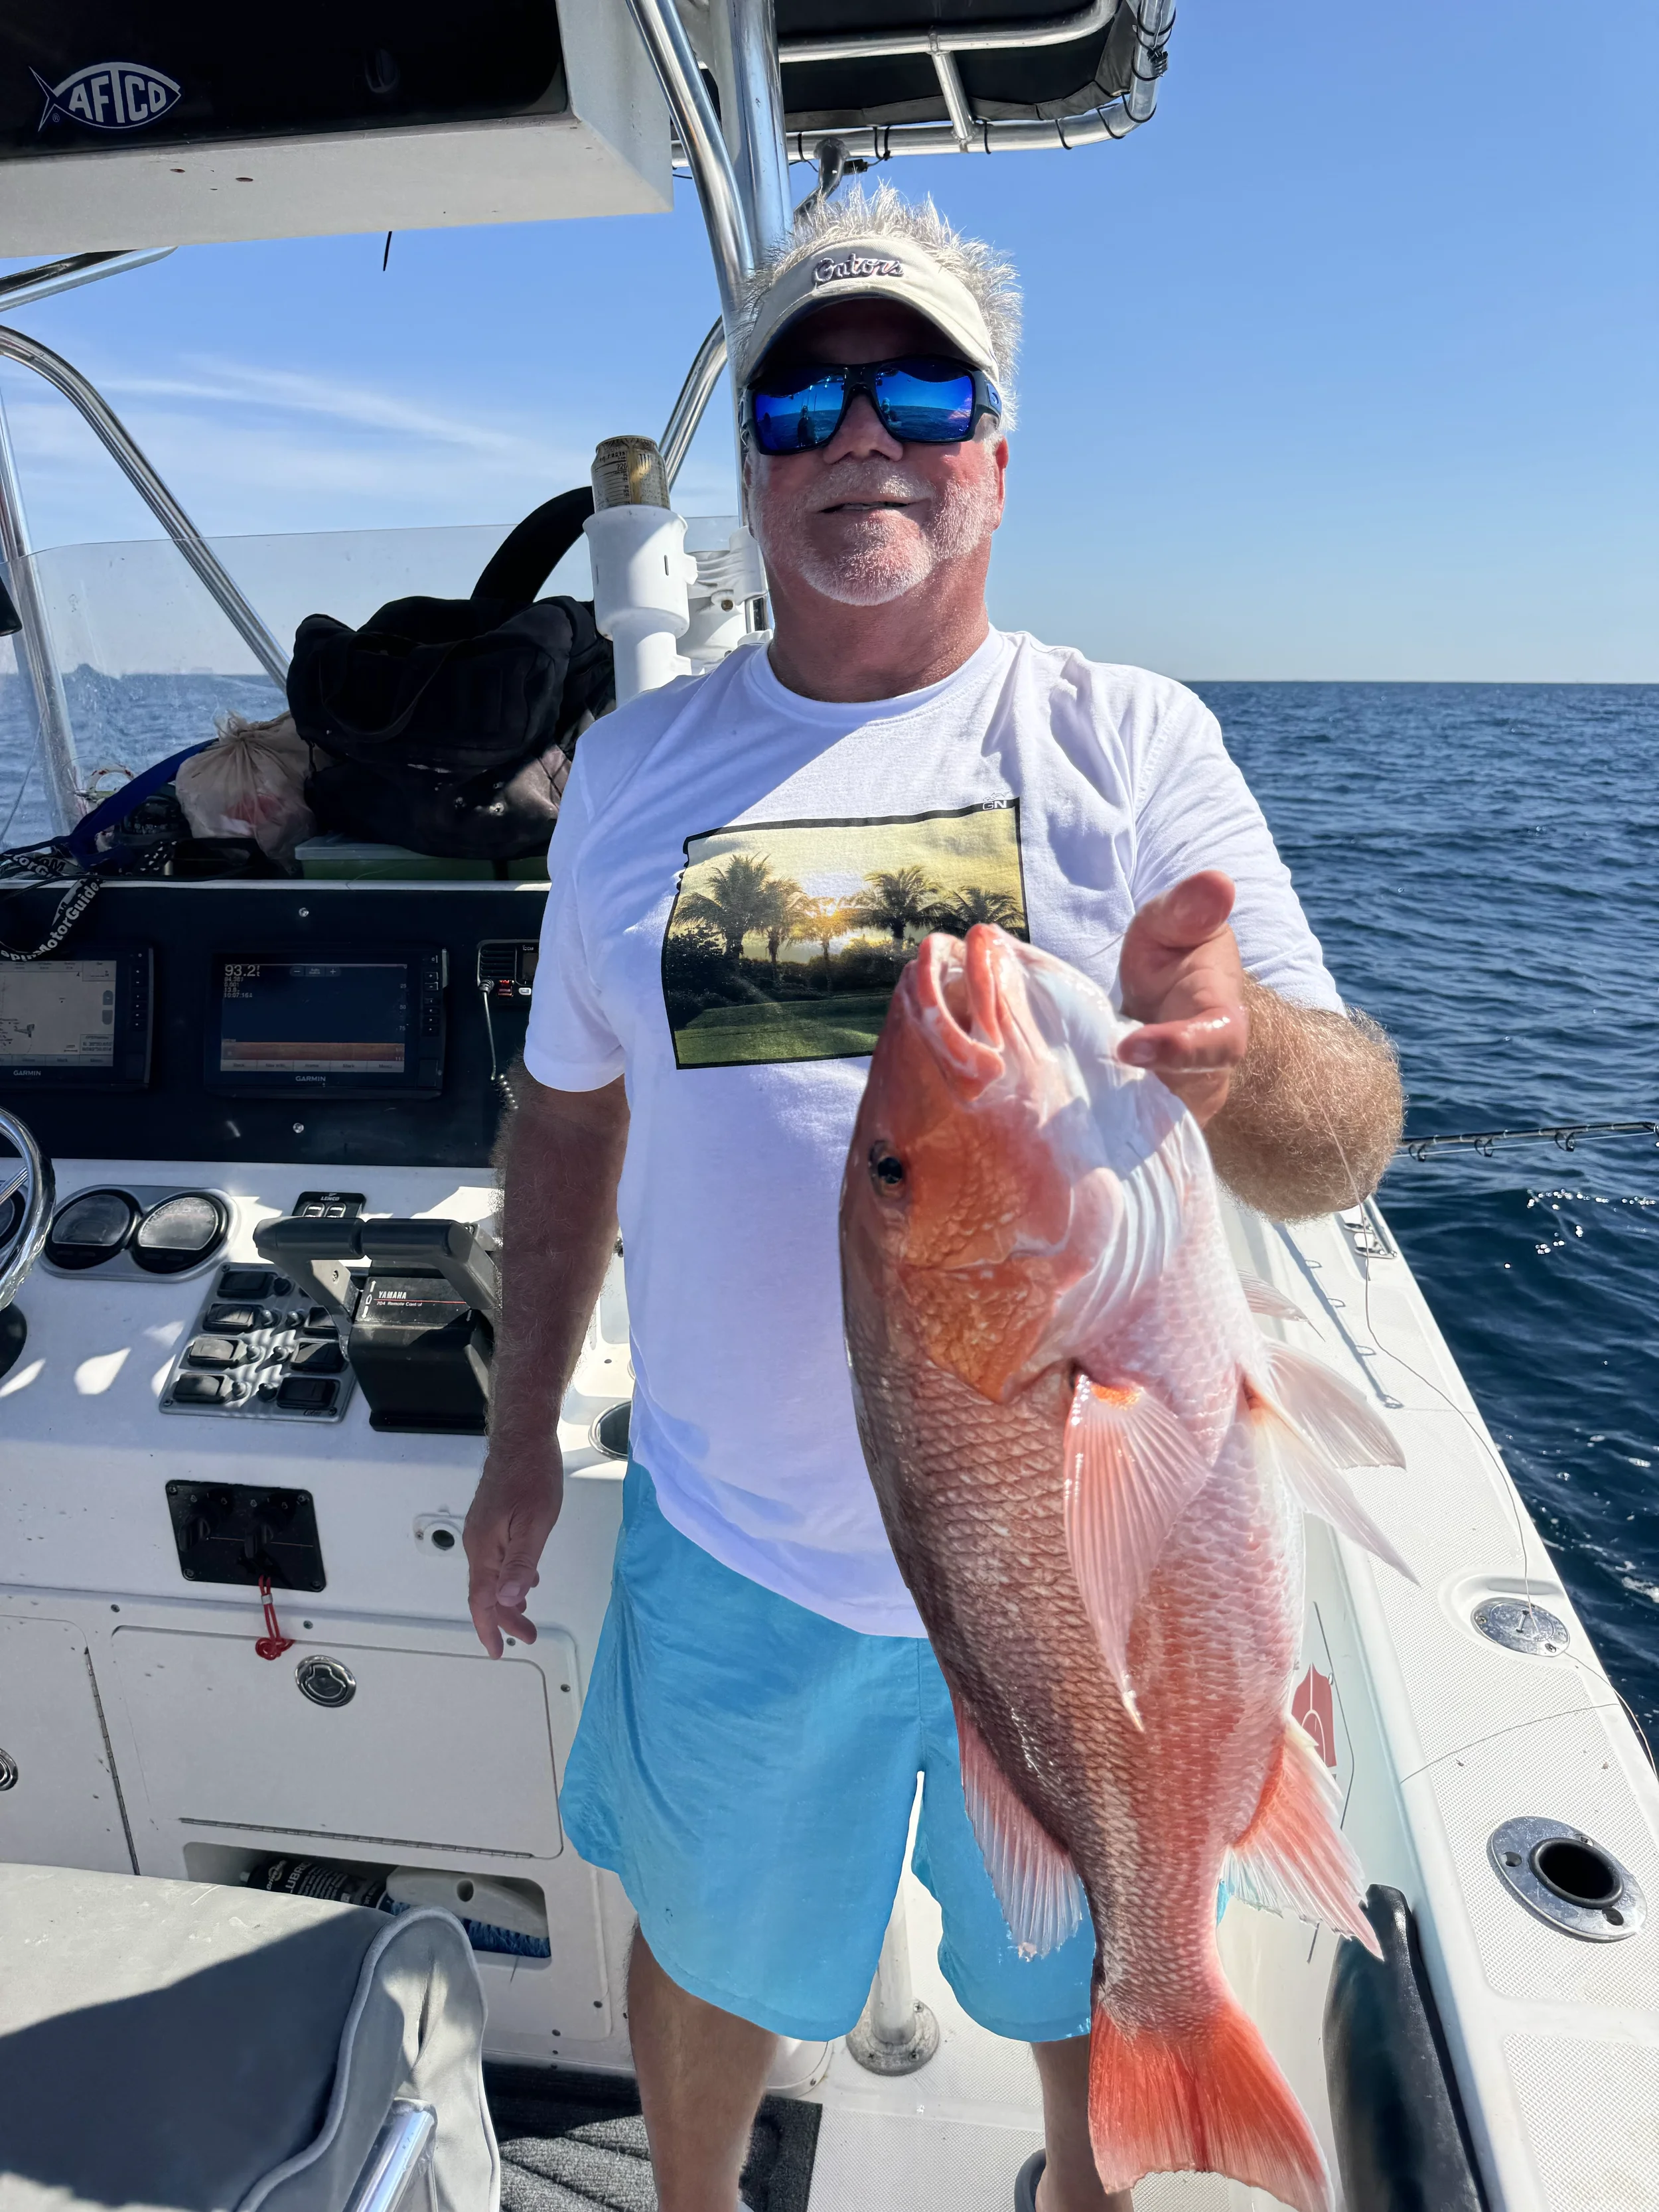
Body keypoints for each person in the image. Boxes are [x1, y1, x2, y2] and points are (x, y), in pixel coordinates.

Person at [463, 185, 1403, 2212]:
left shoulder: (1122, 743)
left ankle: (1097, 2183)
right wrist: (520, 1430)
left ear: (994, 446)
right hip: (732, 1550)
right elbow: (561, 1122)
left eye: (916, 387)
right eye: (799, 399)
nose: (858, 432)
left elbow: (1339, 1141)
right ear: (751, 469)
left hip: (1103, 1573)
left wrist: (1240, 1060)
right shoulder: (630, 777)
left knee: (1096, 1947)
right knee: (705, 1952)